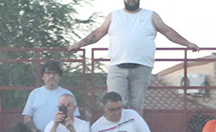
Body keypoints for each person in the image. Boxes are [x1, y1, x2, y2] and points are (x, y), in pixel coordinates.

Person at [66, 0, 198, 113]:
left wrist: (187, 43)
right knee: (114, 103)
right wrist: (80, 44)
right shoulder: (113, 16)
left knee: (137, 105)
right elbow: (98, 33)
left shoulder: (151, 15)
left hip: (142, 67)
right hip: (117, 67)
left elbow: (168, 31)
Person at [18, 61, 77, 132]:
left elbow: (75, 117)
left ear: (59, 76)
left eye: (55, 73)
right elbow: (27, 118)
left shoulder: (67, 94)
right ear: (43, 77)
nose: (51, 76)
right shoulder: (35, 93)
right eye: (48, 73)